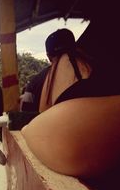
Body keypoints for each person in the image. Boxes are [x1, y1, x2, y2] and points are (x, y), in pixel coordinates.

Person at [21, 23, 120, 178]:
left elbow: (33, 113)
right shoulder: (97, 62)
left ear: (48, 56)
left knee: (28, 130)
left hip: (76, 146)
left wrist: (27, 129)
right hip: (102, 148)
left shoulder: (45, 77)